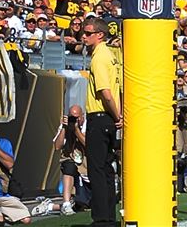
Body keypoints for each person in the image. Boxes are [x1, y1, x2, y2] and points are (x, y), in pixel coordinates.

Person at [83, 16, 120, 227]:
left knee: (96, 169)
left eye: (88, 33)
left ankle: (101, 218)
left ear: (100, 35)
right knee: (107, 169)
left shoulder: (99, 58)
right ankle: (109, 215)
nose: (84, 37)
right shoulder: (111, 55)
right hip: (108, 117)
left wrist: (116, 116)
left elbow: (105, 93)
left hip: (100, 116)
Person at [51, 105, 87, 215]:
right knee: (68, 167)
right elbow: (57, 146)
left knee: (83, 203)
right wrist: (64, 128)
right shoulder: (65, 126)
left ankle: (51, 207)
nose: (74, 120)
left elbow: (87, 144)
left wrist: (76, 130)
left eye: (77, 117)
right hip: (71, 160)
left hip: (86, 164)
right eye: (72, 117)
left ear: (82, 116)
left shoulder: (88, 125)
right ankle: (66, 204)